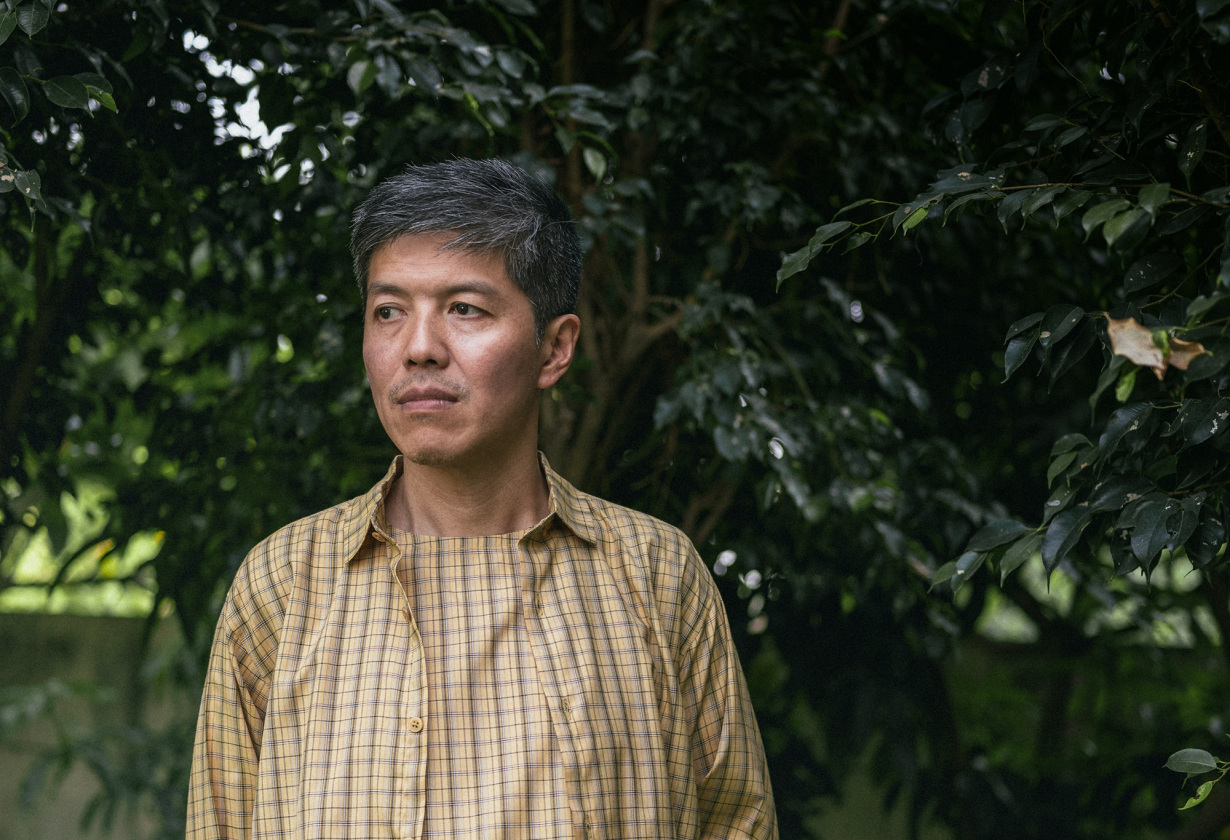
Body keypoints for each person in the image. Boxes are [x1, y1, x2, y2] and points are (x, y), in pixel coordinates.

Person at [187, 158, 777, 840]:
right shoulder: (286, 583)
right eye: (388, 312)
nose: (419, 349)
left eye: (464, 309)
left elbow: (739, 825)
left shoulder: (655, 576)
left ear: (554, 349)